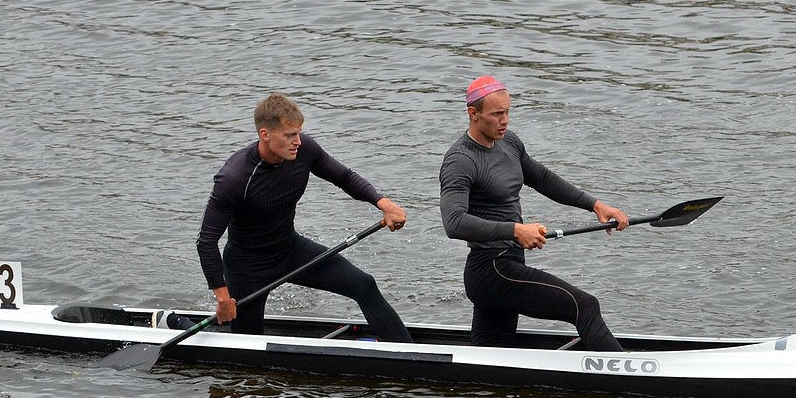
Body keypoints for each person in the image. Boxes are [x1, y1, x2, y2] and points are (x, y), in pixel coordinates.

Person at [195, 93, 413, 341]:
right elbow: (207, 241)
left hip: (290, 251)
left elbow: (344, 177)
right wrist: (223, 297)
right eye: (289, 135)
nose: (297, 141)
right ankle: (176, 322)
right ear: (265, 134)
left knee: (364, 285)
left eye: (298, 133)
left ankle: (413, 356)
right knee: (248, 341)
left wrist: (383, 203)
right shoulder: (234, 178)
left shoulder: (304, 150)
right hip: (248, 268)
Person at [439, 75, 630, 350]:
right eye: (496, 114)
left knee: (491, 357)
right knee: (584, 305)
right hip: (492, 269)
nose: (504, 120)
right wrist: (516, 230)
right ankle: (625, 375)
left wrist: (595, 205)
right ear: (473, 114)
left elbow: (541, 178)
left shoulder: (509, 143)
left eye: (508, 111)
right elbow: (453, 223)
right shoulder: (460, 160)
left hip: (509, 264)